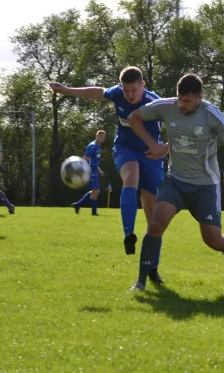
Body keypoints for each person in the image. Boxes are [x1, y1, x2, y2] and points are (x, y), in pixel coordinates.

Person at [127, 73, 224, 292]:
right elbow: (134, 117)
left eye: (187, 101)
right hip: (175, 181)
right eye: (180, 99)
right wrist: (155, 145)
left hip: (205, 185)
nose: (182, 104)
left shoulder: (211, 115)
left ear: (199, 97)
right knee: (156, 224)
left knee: (213, 240)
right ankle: (141, 283)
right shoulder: (166, 106)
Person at [49, 66, 165, 284]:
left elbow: (178, 126)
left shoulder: (156, 102)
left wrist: (164, 149)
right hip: (125, 149)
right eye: (126, 90)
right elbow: (96, 92)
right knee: (131, 177)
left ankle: (153, 269)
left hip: (152, 155)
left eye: (134, 90)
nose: (130, 95)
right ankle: (128, 233)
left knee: (154, 217)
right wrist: (67, 90)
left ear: (143, 85)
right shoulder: (117, 94)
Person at [71, 130, 107, 216]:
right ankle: (93, 213)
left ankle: (78, 205)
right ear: (96, 136)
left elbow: (94, 161)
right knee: (95, 191)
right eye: (100, 136)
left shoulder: (98, 147)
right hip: (90, 171)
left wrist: (99, 170)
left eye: (103, 137)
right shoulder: (92, 146)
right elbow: (86, 158)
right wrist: (81, 169)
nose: (102, 138)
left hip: (94, 170)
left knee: (95, 191)